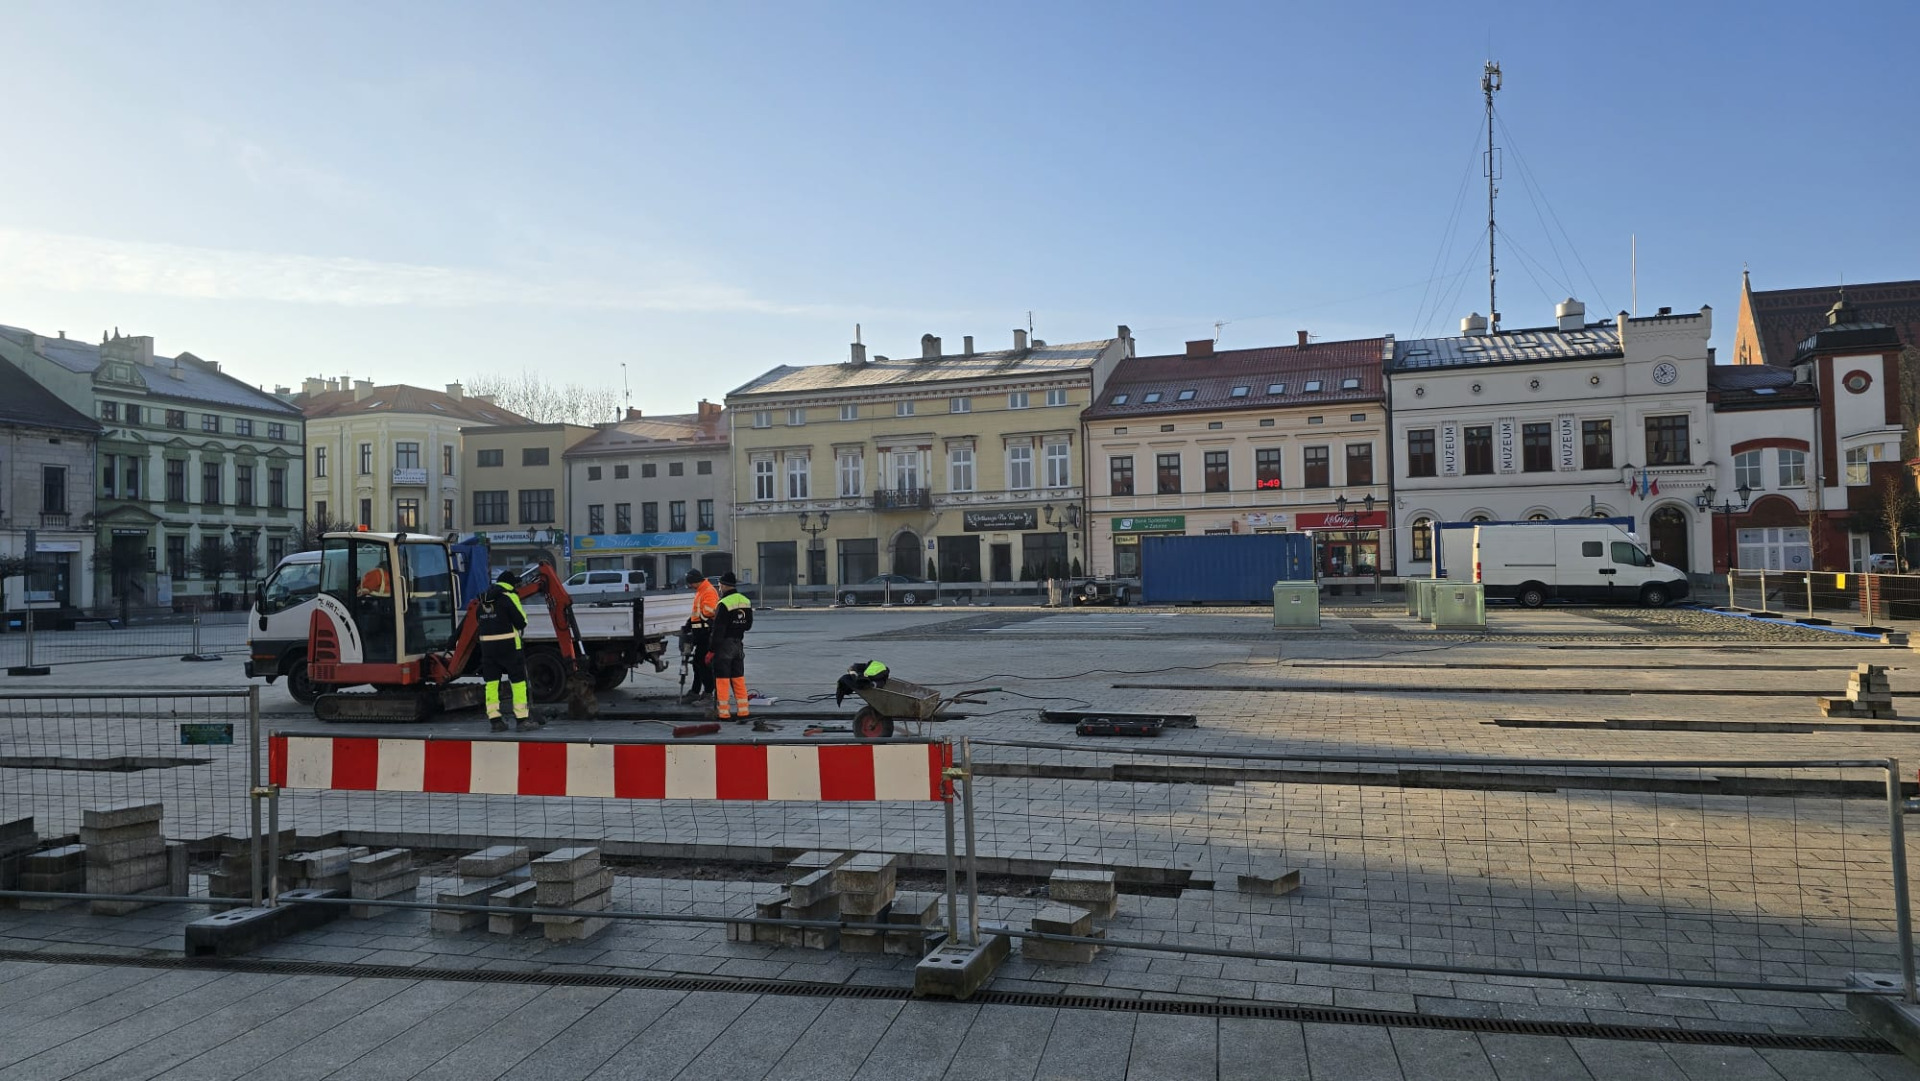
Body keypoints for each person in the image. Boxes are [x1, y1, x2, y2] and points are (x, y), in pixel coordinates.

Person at [477, 569, 540, 732]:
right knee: (518, 683)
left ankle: (495, 721)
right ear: (511, 584)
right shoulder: (509, 597)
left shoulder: (483, 601)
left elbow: (479, 622)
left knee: (491, 684)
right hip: (509, 647)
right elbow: (521, 622)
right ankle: (522, 720)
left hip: (488, 650)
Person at [707, 572, 755, 724]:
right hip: (738, 644)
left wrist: (711, 650)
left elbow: (718, 630)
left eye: (720, 585)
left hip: (724, 645)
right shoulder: (745, 601)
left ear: (723, 585)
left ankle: (724, 714)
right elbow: (748, 625)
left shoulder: (724, 603)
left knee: (722, 680)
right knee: (738, 678)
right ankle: (743, 712)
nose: (719, 588)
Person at [680, 568, 718, 705]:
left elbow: (709, 612)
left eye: (690, 583)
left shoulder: (707, 591)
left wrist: (697, 622)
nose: (690, 586)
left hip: (706, 634)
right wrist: (689, 624)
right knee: (697, 664)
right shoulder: (701, 591)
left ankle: (708, 694)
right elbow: (697, 612)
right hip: (699, 634)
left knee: (703, 665)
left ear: (695, 581)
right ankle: (695, 692)